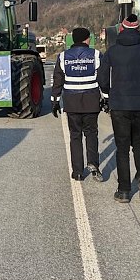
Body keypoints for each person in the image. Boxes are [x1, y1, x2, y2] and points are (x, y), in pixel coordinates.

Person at [97, 14, 140, 203]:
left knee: (122, 148)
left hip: (119, 105)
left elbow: (102, 78)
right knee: (138, 143)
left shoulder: (112, 51)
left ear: (121, 29)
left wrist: (108, 94)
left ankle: (124, 191)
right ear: (138, 30)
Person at [51, 26, 104, 182]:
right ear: (87, 39)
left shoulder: (63, 57)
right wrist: (106, 98)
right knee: (91, 133)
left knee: (75, 136)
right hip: (91, 101)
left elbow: (58, 81)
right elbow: (103, 79)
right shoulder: (96, 55)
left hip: (72, 102)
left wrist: (55, 101)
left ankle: (78, 172)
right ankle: (93, 164)